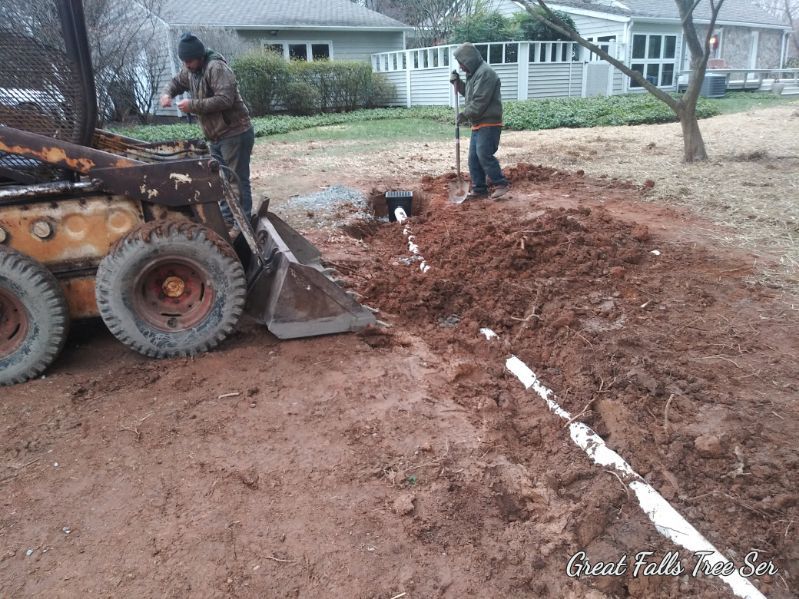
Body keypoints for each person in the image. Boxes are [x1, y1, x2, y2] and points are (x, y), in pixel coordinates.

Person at [160, 33, 254, 225]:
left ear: (200, 56)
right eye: (184, 61)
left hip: (235, 133)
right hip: (216, 136)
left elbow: (225, 99)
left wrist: (192, 105)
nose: (186, 65)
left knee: (236, 179)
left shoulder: (216, 68)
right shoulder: (193, 71)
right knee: (220, 179)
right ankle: (228, 220)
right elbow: (177, 82)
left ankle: (244, 223)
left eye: (189, 60)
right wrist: (167, 93)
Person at [450, 42, 509, 200]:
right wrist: (458, 84)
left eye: (462, 64)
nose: (461, 68)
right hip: (479, 123)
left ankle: (501, 183)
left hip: (489, 123)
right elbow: (471, 95)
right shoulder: (474, 74)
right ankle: (479, 189)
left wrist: (465, 114)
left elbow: (480, 101)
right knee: (473, 158)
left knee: (483, 153)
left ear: (469, 60)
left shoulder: (486, 73)